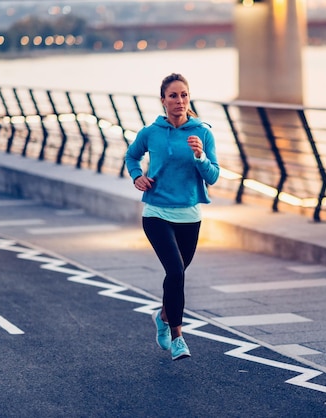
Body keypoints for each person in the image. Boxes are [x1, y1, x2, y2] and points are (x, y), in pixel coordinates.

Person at [124, 73, 219, 361]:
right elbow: (131, 157)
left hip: (189, 214)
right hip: (156, 212)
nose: (179, 101)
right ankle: (178, 337)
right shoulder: (150, 132)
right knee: (176, 272)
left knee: (175, 276)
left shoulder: (202, 132)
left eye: (184, 95)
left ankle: (163, 316)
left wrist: (201, 157)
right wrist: (137, 176)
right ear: (163, 100)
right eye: (173, 96)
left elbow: (213, 176)